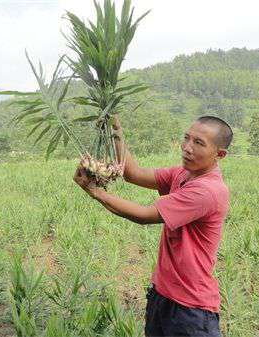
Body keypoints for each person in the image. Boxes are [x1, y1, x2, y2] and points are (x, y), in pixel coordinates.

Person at [73, 115, 232, 337]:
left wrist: (95, 191)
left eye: (198, 143)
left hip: (191, 308)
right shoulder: (182, 174)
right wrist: (116, 130)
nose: (187, 148)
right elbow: (133, 174)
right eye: (186, 138)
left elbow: (143, 215)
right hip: (162, 294)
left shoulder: (208, 191)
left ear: (219, 154)